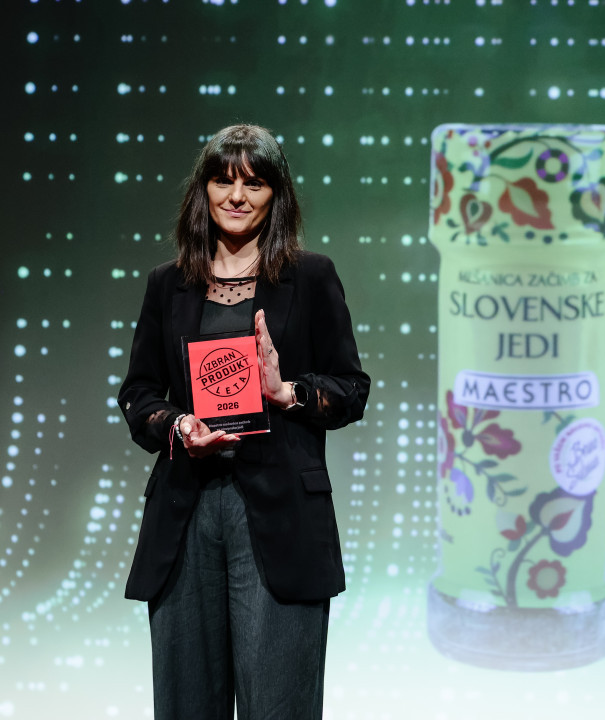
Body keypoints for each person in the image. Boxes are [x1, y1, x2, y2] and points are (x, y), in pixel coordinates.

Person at [117, 124, 369, 719]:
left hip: (282, 513)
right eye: (222, 180)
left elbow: (351, 389)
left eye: (254, 184)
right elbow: (138, 393)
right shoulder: (167, 284)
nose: (236, 196)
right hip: (187, 510)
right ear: (202, 190)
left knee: (278, 704)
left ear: (276, 195)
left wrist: (287, 392)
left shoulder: (311, 276)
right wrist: (179, 427)